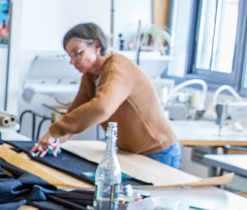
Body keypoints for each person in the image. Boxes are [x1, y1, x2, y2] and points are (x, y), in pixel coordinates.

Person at [33, 22, 181, 168]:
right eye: (69, 56)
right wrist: (56, 140)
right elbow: (76, 111)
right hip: (130, 152)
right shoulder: (90, 76)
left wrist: (55, 131)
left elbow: (101, 107)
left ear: (97, 47)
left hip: (158, 152)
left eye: (78, 53)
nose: (72, 61)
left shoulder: (117, 68)